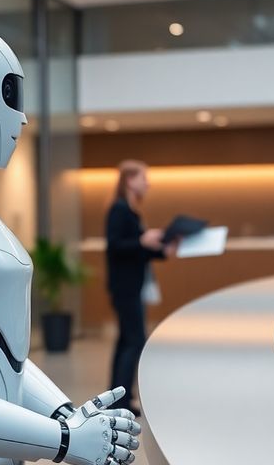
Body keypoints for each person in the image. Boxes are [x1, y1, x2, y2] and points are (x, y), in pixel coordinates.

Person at [105, 160, 173, 415]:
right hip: (125, 287)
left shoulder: (129, 211)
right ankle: (120, 400)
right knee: (134, 341)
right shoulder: (119, 210)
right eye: (144, 178)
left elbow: (136, 250)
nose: (148, 183)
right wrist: (143, 241)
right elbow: (115, 246)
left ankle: (118, 396)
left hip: (131, 285)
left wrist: (161, 250)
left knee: (126, 340)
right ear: (129, 180)